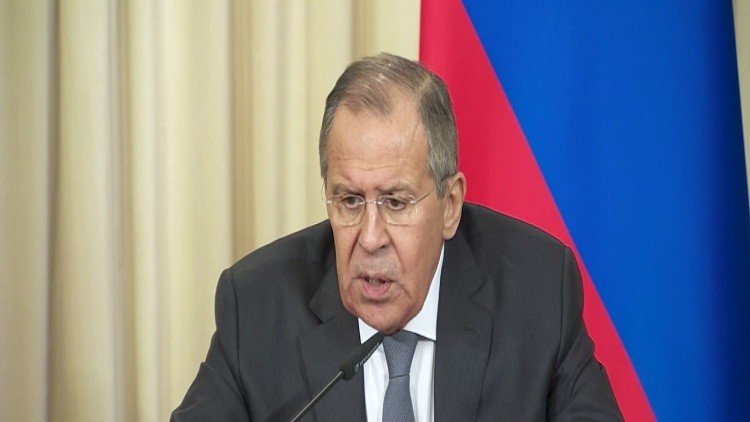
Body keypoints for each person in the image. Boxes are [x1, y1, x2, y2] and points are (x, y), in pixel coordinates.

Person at [172, 53, 622, 421]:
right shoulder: (256, 306)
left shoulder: (538, 290)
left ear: (450, 205)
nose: (370, 239)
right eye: (349, 200)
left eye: (396, 202)